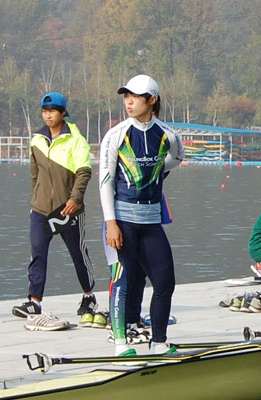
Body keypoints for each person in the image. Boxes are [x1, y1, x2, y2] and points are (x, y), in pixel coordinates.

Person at [99, 74, 182, 359]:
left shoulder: (167, 135)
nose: (129, 101)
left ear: (152, 100)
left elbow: (177, 158)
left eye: (135, 96)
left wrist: (158, 169)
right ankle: (120, 340)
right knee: (123, 279)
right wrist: (111, 223)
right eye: (126, 96)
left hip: (151, 222)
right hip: (121, 220)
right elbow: (106, 182)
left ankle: (159, 342)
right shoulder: (116, 134)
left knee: (165, 282)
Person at [12, 91, 96, 331]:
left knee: (78, 254)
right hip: (40, 209)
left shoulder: (75, 140)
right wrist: (36, 199)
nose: (48, 115)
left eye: (53, 111)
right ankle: (34, 302)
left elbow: (83, 172)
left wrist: (74, 199)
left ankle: (89, 295)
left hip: (67, 209)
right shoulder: (37, 138)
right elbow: (34, 173)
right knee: (37, 253)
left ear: (62, 113)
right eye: (44, 111)